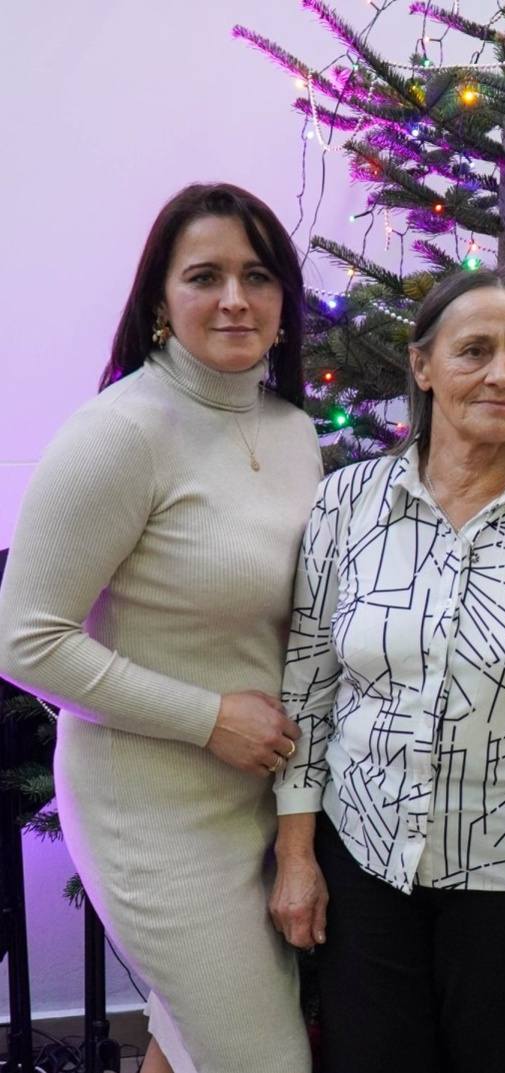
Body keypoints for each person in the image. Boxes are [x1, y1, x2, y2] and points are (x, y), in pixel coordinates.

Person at [266, 268, 505, 1073]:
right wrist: (295, 855)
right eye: (475, 350)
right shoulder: (346, 502)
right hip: (364, 861)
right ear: (423, 366)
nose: (503, 373)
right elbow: (307, 688)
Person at [0, 183, 323, 1073]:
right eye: (205, 276)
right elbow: (23, 638)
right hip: (151, 810)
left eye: (258, 276)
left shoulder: (294, 430)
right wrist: (208, 717)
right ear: (157, 302)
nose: (235, 299)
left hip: (258, 802)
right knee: (264, 1059)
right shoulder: (119, 432)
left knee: (187, 1043)